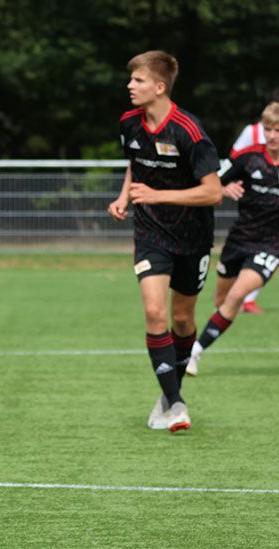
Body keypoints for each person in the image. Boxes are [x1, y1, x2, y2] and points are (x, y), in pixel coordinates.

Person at [108, 50, 223, 432]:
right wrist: (126, 197)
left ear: (159, 87)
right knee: (156, 313)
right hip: (151, 233)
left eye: (138, 81)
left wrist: (158, 195)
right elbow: (135, 163)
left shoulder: (190, 132)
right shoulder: (129, 123)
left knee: (182, 318)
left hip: (193, 237)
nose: (130, 86)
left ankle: (166, 392)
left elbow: (213, 193)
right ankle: (175, 402)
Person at [185, 102, 279, 376]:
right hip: (238, 239)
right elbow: (214, 184)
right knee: (222, 301)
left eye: (278, 131)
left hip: (271, 245)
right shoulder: (249, 158)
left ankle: (195, 352)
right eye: (268, 130)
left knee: (238, 295)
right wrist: (225, 189)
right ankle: (219, 323)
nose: (272, 136)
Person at [227, 88, 279, 314]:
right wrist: (227, 184)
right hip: (253, 212)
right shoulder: (252, 133)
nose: (272, 134)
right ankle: (241, 299)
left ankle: (247, 298)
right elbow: (234, 160)